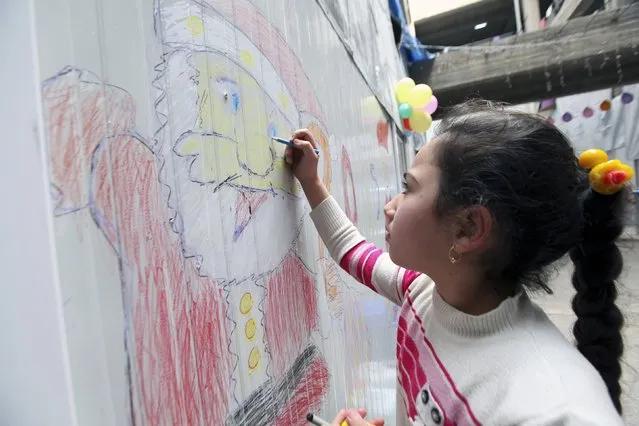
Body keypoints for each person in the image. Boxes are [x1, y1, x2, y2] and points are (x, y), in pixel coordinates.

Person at [285, 100, 631, 426]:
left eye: (409, 188)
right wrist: (310, 181)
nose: (391, 206)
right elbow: (353, 252)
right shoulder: (424, 292)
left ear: (468, 228)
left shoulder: (551, 411)